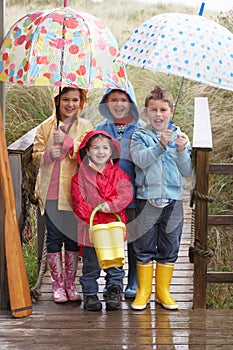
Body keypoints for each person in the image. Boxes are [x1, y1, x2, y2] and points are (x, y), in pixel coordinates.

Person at [130, 86, 192, 310]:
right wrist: (160, 145)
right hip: (147, 199)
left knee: (170, 245)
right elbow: (140, 160)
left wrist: (181, 150)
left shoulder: (181, 137)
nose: (159, 114)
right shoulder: (140, 136)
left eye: (163, 109)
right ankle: (144, 292)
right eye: (153, 110)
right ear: (146, 111)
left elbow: (186, 171)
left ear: (171, 111)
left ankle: (163, 292)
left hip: (173, 201)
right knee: (144, 245)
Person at [32, 86, 93, 303]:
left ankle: (70, 283)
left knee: (72, 237)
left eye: (75, 100)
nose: (70, 104)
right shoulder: (46, 127)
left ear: (81, 102)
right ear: (57, 100)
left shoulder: (85, 127)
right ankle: (58, 285)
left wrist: (68, 145)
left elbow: (88, 153)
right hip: (50, 191)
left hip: (74, 192)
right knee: (54, 237)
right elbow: (36, 156)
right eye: (65, 99)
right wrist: (49, 153)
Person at [71, 130, 133, 311]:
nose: (101, 152)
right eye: (95, 148)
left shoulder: (119, 175)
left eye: (105, 147)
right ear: (87, 151)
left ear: (112, 151)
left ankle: (114, 290)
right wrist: (96, 217)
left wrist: (111, 206)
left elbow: (126, 195)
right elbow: (78, 202)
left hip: (113, 229)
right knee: (91, 263)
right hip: (91, 229)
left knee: (115, 263)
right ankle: (90, 294)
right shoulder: (80, 177)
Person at [96, 83, 145, 299]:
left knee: (134, 239)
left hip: (133, 193)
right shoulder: (100, 129)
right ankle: (113, 280)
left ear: (131, 104)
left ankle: (134, 279)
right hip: (108, 196)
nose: (119, 104)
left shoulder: (142, 129)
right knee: (111, 237)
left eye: (123, 100)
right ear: (106, 102)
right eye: (114, 99)